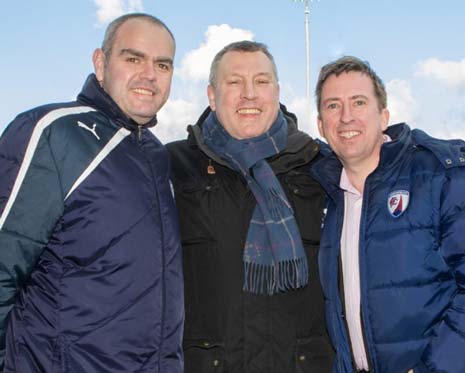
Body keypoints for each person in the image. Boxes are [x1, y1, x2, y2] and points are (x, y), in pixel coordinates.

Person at [0, 13, 183, 372]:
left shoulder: (157, 156)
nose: (149, 74)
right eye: (133, 58)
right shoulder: (55, 134)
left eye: (162, 64)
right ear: (100, 63)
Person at [167, 40, 334, 372]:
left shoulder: (321, 165)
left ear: (277, 90)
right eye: (234, 82)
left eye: (261, 81)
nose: (249, 93)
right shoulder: (172, 166)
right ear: (212, 96)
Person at [311, 55, 465, 372]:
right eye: (333, 106)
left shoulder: (438, 176)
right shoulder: (328, 196)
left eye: (359, 102)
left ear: (384, 116)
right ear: (321, 125)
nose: (346, 117)